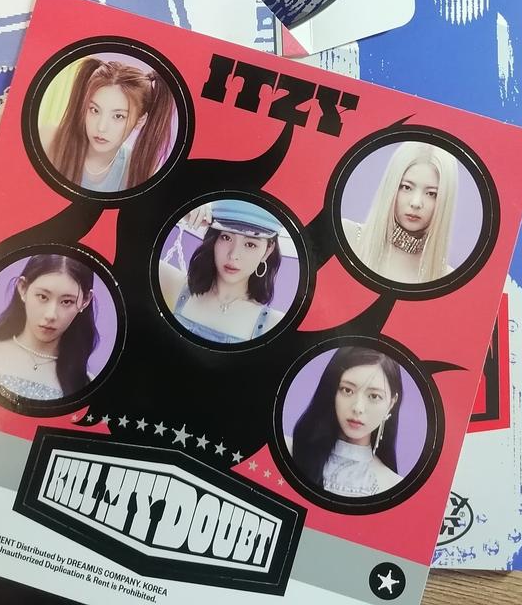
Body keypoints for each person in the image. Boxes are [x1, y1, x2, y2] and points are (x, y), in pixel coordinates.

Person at [39, 57, 175, 192]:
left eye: (118, 116)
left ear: (140, 120)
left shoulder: (141, 173)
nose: (101, 127)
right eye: (94, 110)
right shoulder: (47, 140)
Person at [159, 200, 286, 344]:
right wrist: (180, 209)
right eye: (226, 237)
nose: (233, 255)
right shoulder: (176, 286)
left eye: (250, 244)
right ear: (214, 239)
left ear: (268, 250)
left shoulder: (273, 324)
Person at [0, 254, 97, 400]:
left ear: (85, 301)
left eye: (66, 302)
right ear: (23, 288)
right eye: (42, 297)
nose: (51, 315)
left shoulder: (86, 384)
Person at [290, 346, 403, 498]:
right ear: (332, 391)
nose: (358, 408)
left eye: (374, 396)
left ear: (391, 403)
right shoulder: (290, 450)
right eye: (347, 390)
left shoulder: (393, 486)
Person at [342, 141, 459, 282]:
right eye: (406, 187)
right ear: (392, 186)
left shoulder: (447, 277)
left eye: (431, 194)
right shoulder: (348, 236)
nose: (416, 203)